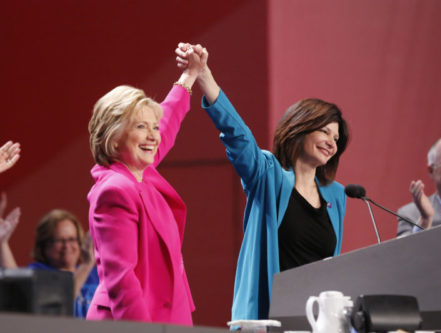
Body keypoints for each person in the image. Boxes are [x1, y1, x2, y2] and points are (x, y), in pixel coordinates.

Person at [176, 43, 350, 321]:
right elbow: (238, 136)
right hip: (270, 318)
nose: (332, 142)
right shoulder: (268, 175)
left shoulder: (337, 195)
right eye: (325, 132)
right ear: (300, 128)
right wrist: (205, 77)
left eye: (336, 139)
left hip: (317, 323)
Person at [86, 47, 204, 325]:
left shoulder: (141, 172)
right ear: (114, 138)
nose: (153, 136)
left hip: (167, 316)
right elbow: (121, 279)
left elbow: (169, 119)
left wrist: (189, 76)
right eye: (141, 127)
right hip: (134, 321)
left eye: (154, 127)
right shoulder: (115, 190)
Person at [0, 204, 98, 318]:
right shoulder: (38, 273)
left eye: (72, 239)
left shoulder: (96, 274)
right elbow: (17, 289)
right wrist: (2, 243)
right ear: (44, 245)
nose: (67, 246)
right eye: (60, 240)